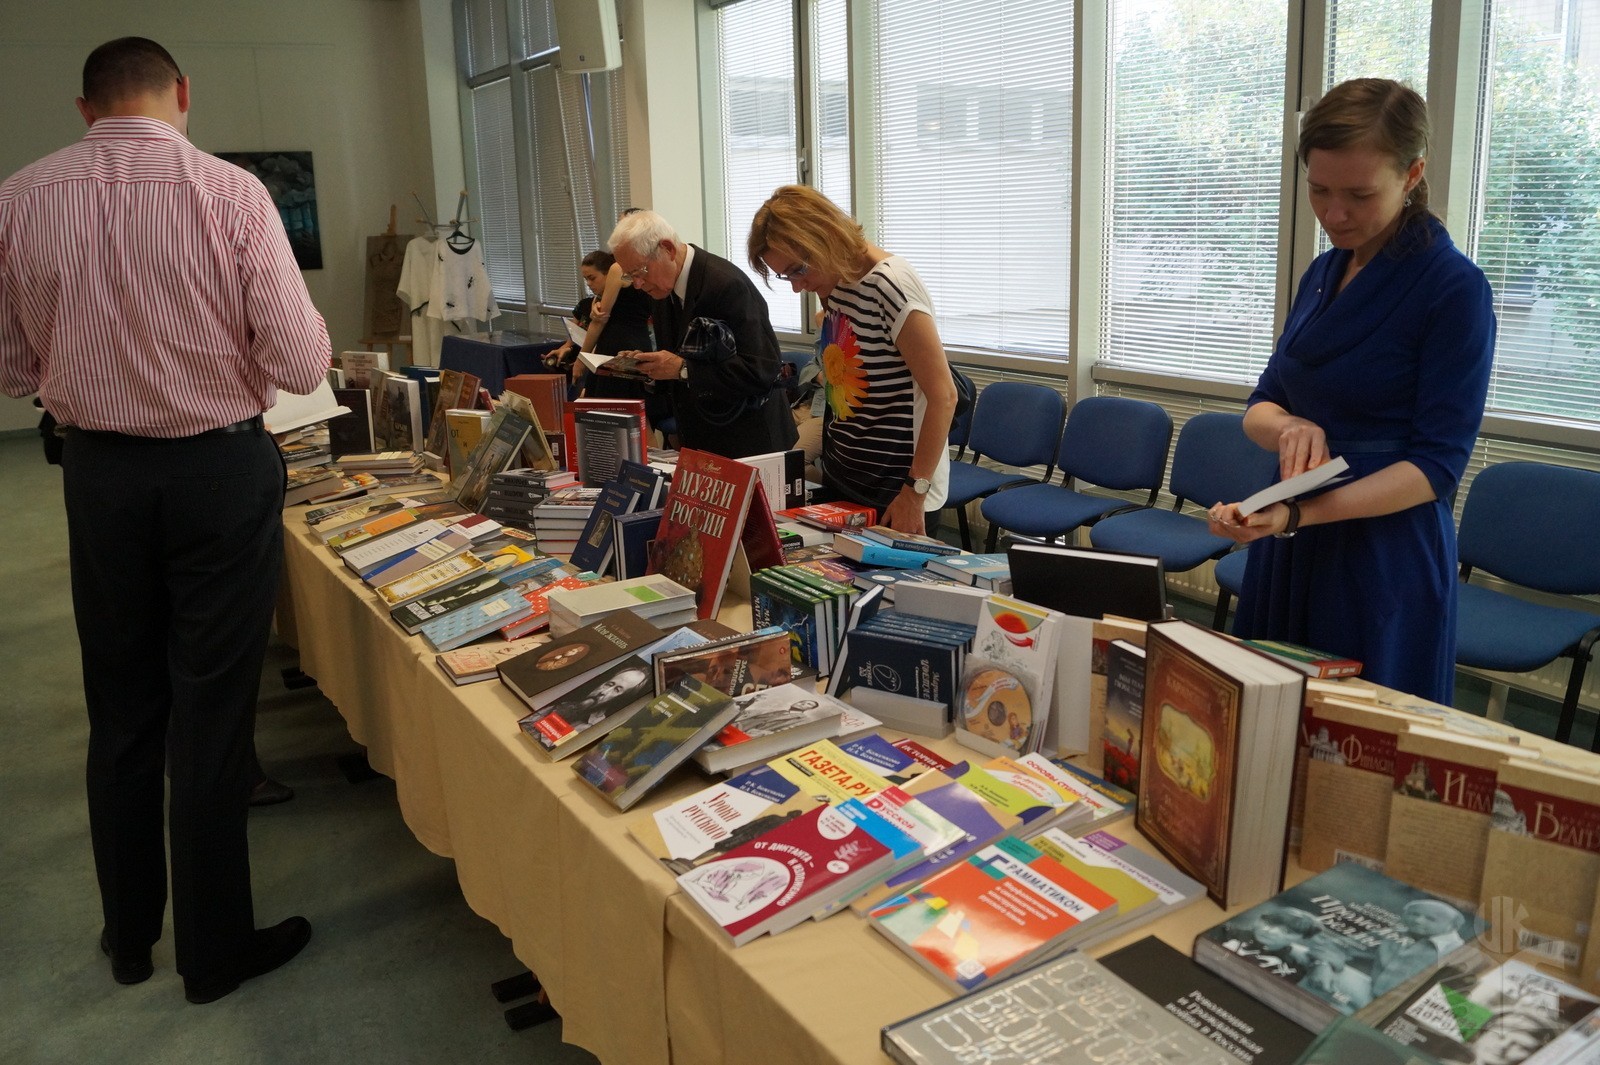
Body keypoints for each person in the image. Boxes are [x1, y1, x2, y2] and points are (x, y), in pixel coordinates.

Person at [0, 38, 328, 1003]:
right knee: (212, 713)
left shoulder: (20, 198)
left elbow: (13, 369)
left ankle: (130, 934)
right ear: (182, 92)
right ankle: (213, 951)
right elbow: (301, 361)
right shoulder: (231, 193)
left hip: (98, 474)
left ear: (84, 107)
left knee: (121, 704)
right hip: (219, 470)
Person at [1207, 79, 1495, 703]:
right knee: (1269, 719)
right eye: (1319, 189)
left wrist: (1298, 514)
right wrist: (1289, 427)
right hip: (1294, 536)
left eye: (1360, 195)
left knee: (1357, 737)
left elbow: (1436, 467)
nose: (1334, 215)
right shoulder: (1325, 270)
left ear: (1413, 173)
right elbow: (1261, 404)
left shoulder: (1453, 289)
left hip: (1381, 551)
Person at [748, 185, 956, 535]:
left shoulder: (891, 284)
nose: (797, 287)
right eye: (786, 276)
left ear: (825, 236)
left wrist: (914, 493)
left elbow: (944, 396)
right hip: (845, 476)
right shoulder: (834, 283)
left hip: (896, 489)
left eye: (798, 270)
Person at [607, 210, 798, 458]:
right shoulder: (660, 289)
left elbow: (762, 371)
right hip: (701, 435)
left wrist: (683, 369)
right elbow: (677, 361)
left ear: (668, 249)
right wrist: (648, 367)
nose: (637, 284)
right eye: (629, 275)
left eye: (640, 271)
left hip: (749, 439)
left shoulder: (726, 284)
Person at [545, 249, 655, 401]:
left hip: (617, 350)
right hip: (637, 344)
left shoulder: (618, 269)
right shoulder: (642, 275)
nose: (589, 284)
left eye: (592, 278)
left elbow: (599, 321)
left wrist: (581, 360)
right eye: (586, 279)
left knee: (612, 405)